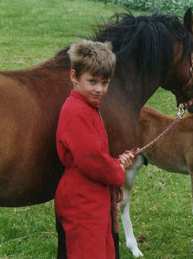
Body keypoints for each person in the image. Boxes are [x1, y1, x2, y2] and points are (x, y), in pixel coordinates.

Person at [54, 39, 135, 259]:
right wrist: (117, 169)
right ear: (74, 77)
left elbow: (95, 154)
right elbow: (91, 159)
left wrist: (115, 162)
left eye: (105, 82)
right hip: (82, 201)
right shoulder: (77, 111)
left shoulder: (88, 107)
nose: (99, 89)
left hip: (93, 197)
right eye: (92, 81)